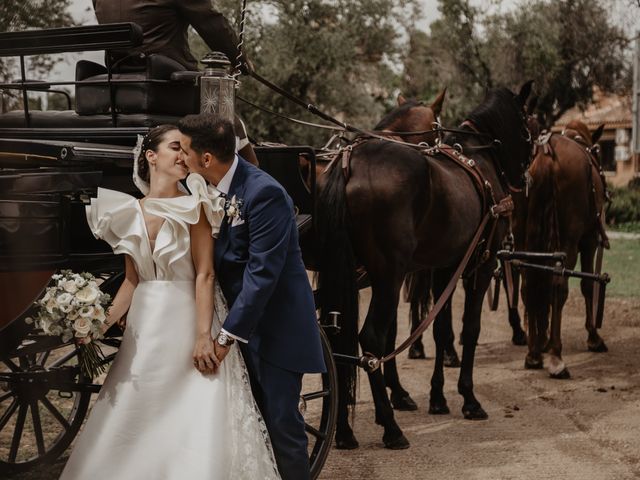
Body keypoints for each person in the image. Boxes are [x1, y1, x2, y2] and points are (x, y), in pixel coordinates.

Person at [60, 125, 280, 479]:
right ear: (151, 156)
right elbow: (133, 280)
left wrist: (202, 335)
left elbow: (205, 275)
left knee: (191, 415)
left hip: (186, 318)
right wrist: (97, 326)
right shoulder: (128, 211)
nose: (184, 156)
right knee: (135, 412)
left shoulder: (196, 206)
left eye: (187, 149)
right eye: (176, 147)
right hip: (144, 330)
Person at [178, 114, 326, 480]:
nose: (180, 157)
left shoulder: (265, 193)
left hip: (275, 328)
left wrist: (225, 337)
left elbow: (262, 276)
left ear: (207, 158)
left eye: (183, 150)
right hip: (238, 322)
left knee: (282, 424)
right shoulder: (204, 188)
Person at [92, 0, 260, 166]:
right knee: (229, 119)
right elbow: (212, 24)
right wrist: (241, 61)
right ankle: (254, 182)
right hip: (167, 87)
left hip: (117, 88)